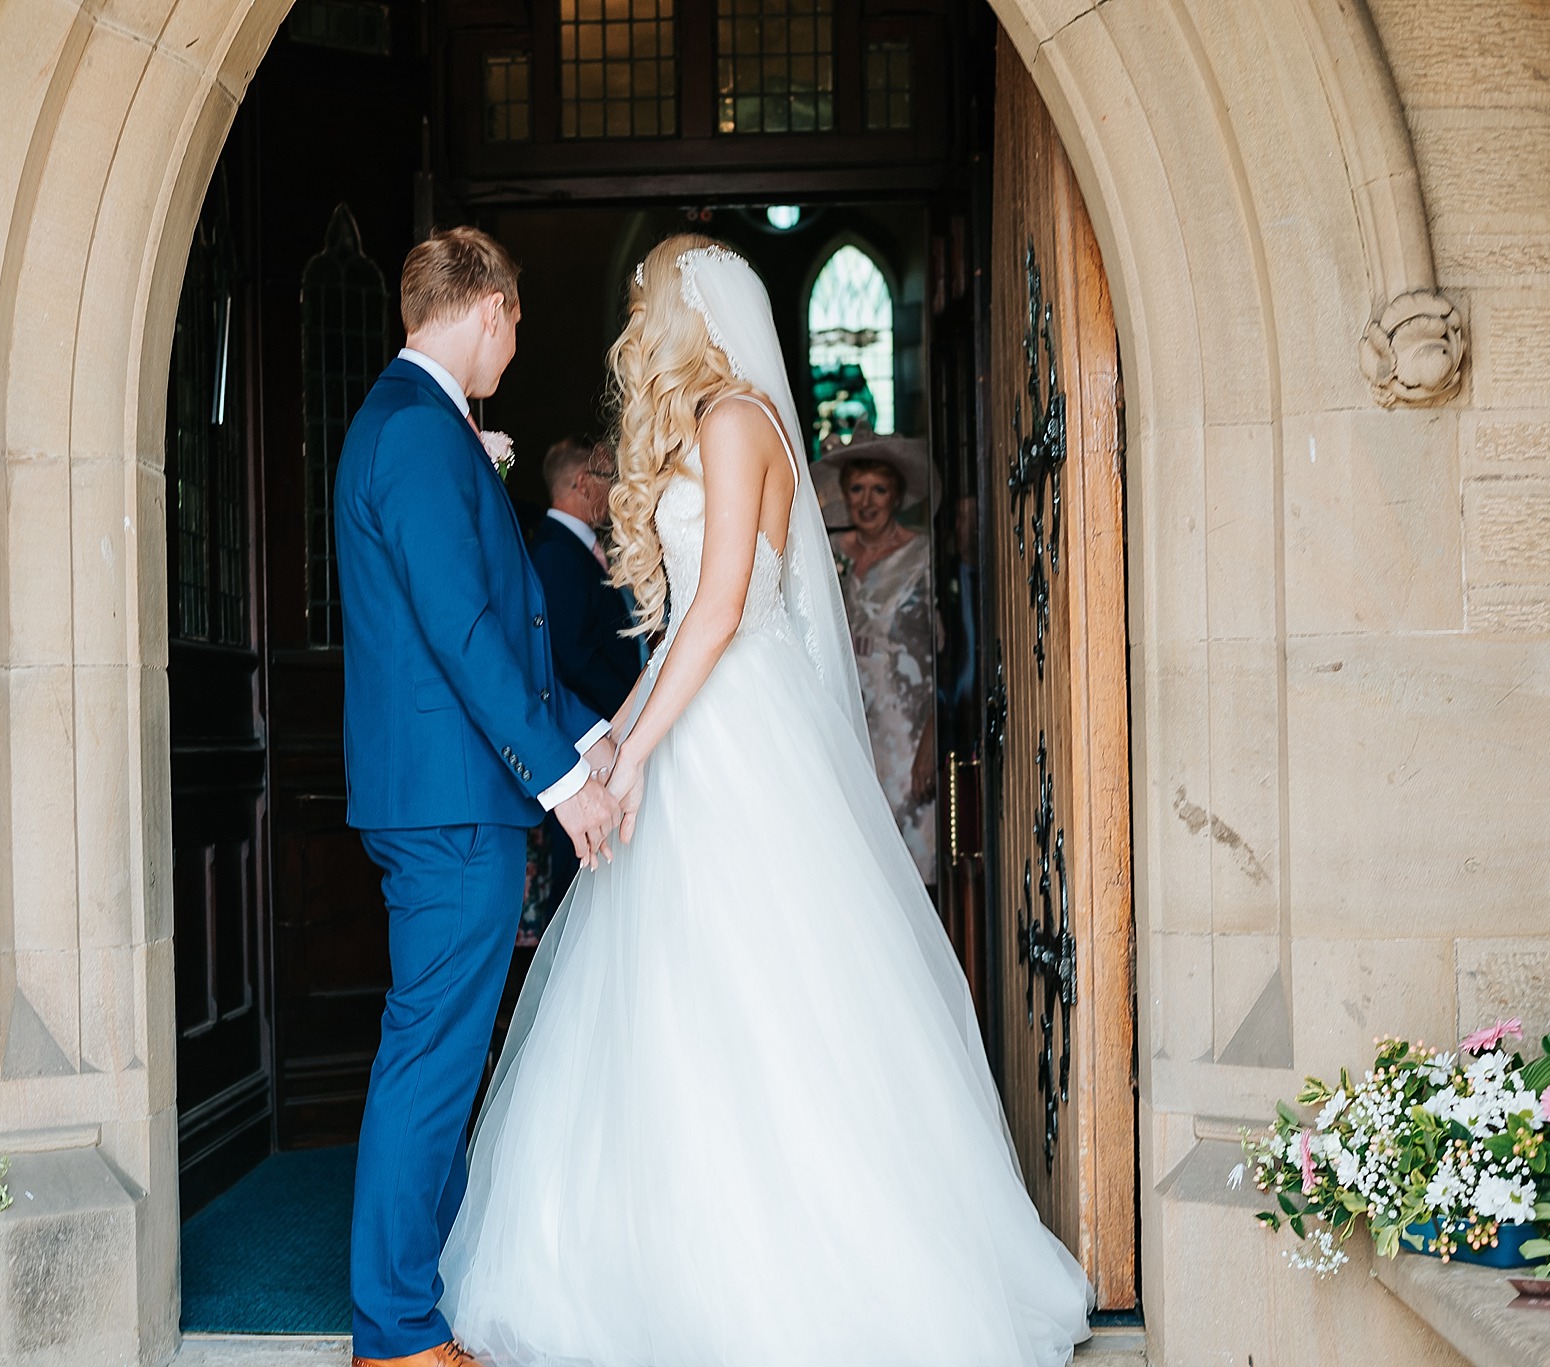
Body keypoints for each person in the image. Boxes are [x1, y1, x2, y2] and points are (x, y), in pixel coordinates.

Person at [437, 235, 1092, 1365]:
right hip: (701, 717)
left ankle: (796, 1272)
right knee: (670, 994)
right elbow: (685, 618)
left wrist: (642, 752)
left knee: (761, 987)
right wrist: (614, 741)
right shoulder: (711, 423)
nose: (633, 322)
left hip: (738, 735)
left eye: (644, 301)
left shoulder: (737, 421)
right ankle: (657, 1259)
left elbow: (725, 606)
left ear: (689, 310)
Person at [332, 226, 623, 1367]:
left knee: (442, 1051)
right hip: (449, 801)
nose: (514, 341)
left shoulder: (424, 427)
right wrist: (560, 782)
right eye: (514, 323)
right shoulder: (413, 431)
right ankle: (395, 1331)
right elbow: (458, 630)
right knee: (432, 1056)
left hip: (452, 791)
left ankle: (425, 1295)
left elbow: (498, 627)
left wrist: (586, 731)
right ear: (490, 306)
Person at [817, 424, 940, 884]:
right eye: (857, 489)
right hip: (845, 730)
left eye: (879, 490)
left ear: (897, 495)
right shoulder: (829, 556)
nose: (867, 502)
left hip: (906, 738)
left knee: (909, 871)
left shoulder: (922, 557)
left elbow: (946, 655)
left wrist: (931, 739)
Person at [527, 436, 641, 926]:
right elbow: (573, 657)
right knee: (581, 878)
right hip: (585, 733)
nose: (614, 491)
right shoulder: (555, 553)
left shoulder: (582, 549)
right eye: (607, 480)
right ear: (580, 482)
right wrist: (631, 711)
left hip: (603, 726)